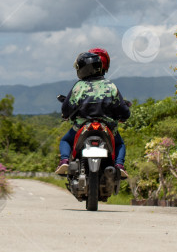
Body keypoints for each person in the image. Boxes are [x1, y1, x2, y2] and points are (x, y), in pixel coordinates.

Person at [56, 48, 130, 178]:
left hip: (82, 127)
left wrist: (66, 115)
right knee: (120, 144)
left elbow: (66, 108)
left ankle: (64, 161)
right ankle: (119, 165)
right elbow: (123, 110)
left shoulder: (79, 86)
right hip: (107, 128)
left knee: (65, 141)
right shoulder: (110, 86)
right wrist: (123, 116)